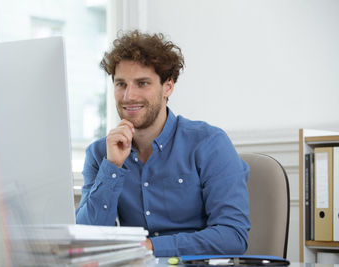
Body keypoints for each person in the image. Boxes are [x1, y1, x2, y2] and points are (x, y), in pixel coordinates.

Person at [76, 30, 250, 257]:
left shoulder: (209, 143)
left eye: (142, 83)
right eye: (121, 84)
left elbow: (233, 236)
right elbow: (87, 239)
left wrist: (151, 247)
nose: (129, 96)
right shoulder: (101, 153)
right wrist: (112, 168)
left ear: (168, 86)